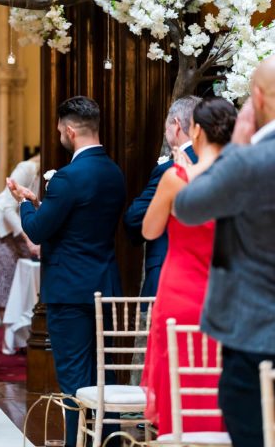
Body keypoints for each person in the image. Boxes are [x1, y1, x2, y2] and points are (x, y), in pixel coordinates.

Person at [8, 96, 125, 447]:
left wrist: (25, 205)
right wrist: (43, 207)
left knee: (74, 379)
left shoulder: (67, 177)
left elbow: (39, 231)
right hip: (104, 285)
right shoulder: (114, 173)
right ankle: (109, 442)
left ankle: (77, 443)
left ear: (70, 131)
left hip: (69, 292)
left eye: (60, 130)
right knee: (103, 376)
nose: (60, 134)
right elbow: (80, 224)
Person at [174, 55, 275, 447]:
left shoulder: (250, 161)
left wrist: (234, 147)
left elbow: (188, 205)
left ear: (258, 97)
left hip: (255, 334)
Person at [140, 97, 237, 436]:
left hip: (179, 294)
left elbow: (149, 230)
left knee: (178, 384)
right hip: (226, 294)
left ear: (195, 130)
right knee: (223, 382)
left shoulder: (176, 178)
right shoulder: (242, 179)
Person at [123, 96, 200, 299]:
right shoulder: (223, 164)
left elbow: (135, 218)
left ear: (176, 125)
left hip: (169, 271)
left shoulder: (170, 170)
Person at [0, 154, 40, 354]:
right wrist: (28, 239)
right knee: (5, 280)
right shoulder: (27, 167)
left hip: (24, 226)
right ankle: (11, 340)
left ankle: (23, 336)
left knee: (23, 279)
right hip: (1, 228)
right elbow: (7, 206)